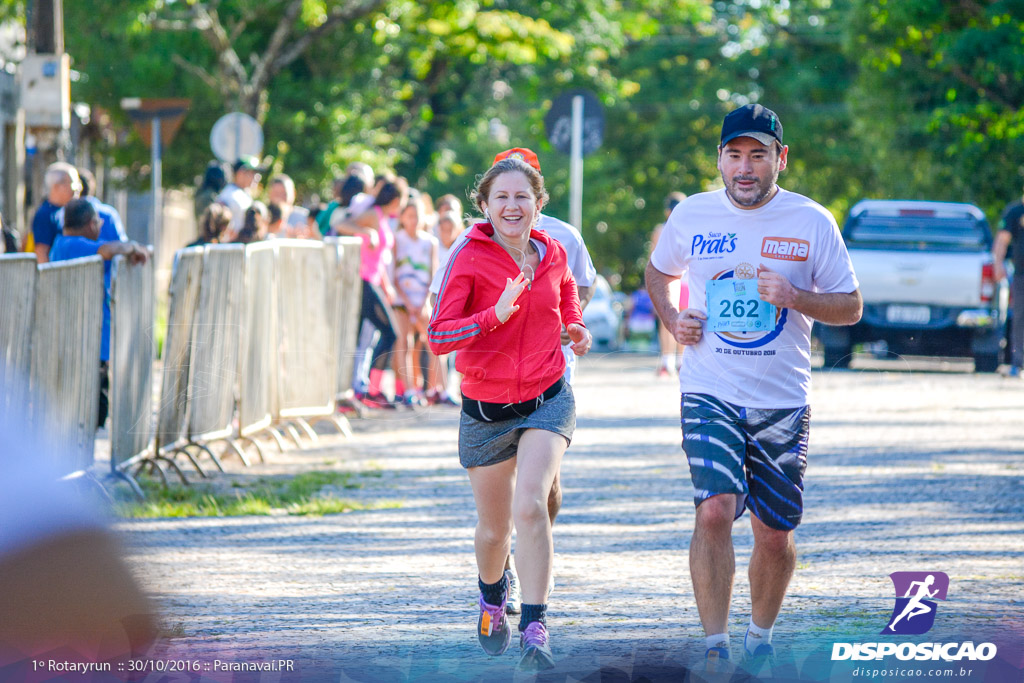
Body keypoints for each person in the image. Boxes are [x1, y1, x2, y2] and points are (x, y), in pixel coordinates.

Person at [645, 103, 862, 673]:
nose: (745, 167)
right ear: (719, 159)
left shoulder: (812, 221)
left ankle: (758, 638)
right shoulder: (691, 215)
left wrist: (796, 298)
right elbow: (657, 271)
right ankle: (715, 647)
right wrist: (673, 318)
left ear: (779, 159)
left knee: (773, 530)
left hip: (782, 399)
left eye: (758, 155)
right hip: (709, 389)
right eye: (734, 155)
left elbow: (851, 306)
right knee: (714, 510)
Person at [428, 156, 592, 672]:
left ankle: (536, 628)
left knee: (532, 507)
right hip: (486, 409)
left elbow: (566, 288)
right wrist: (492, 316)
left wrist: (574, 324)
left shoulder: (552, 249)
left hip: (547, 395)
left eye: (523, 197)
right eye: (502, 197)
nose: (512, 205)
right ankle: (491, 596)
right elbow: (438, 336)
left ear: (539, 205)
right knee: (494, 531)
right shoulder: (468, 257)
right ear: (485, 205)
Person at [49, 199, 149, 428]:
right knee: (89, 411)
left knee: (95, 410)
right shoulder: (70, 245)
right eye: (97, 221)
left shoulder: (71, 245)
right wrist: (131, 246)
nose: (100, 225)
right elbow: (107, 249)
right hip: (82, 343)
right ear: (88, 223)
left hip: (89, 342)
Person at [335, 178, 406, 408]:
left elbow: (381, 261)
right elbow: (340, 224)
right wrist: (366, 231)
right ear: (395, 200)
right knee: (391, 333)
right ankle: (369, 391)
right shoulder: (373, 214)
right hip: (363, 281)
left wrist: (387, 286)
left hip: (373, 281)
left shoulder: (383, 218)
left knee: (360, 339)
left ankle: (356, 390)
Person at [392, 198, 439, 407]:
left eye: (417, 216)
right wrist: (406, 300)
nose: (413, 220)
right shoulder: (397, 240)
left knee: (431, 342)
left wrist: (425, 302)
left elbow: (433, 273)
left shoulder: (430, 242)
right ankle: (408, 389)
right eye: (409, 216)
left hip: (422, 300)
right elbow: (393, 272)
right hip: (402, 299)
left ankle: (433, 389)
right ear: (403, 217)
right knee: (405, 343)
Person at [650, 191, 688, 377]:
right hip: (687, 281)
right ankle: (681, 361)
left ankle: (668, 361)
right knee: (683, 318)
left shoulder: (660, 230)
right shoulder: (691, 228)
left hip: (667, 280)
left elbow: (653, 260)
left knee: (666, 321)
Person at [992, 187, 1024, 378]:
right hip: (1021, 275)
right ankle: (1018, 363)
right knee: (1019, 318)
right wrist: (997, 264)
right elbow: (1002, 241)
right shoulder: (1015, 212)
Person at [32, 162, 81, 263]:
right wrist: (48, 278)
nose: (78, 188)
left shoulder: (64, 211)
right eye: (73, 183)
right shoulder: (45, 215)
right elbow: (42, 252)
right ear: (57, 186)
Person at [217, 156, 262, 239]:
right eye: (253, 172)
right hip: (232, 247)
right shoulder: (230, 195)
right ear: (241, 173)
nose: (257, 177)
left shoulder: (243, 193)